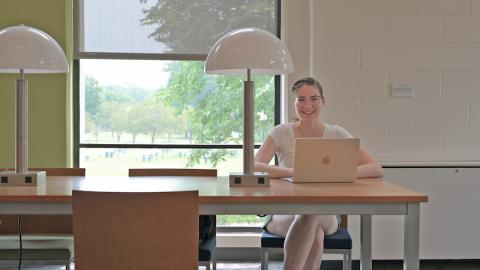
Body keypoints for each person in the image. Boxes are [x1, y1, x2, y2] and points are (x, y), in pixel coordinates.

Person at [254, 77, 384, 270]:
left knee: (311, 212)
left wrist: (339, 173)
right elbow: (255, 165)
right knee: (314, 231)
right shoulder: (281, 132)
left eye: (314, 99)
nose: (308, 105)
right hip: (285, 211)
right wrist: (292, 172)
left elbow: (375, 168)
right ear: (294, 103)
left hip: (326, 212)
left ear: (323, 101)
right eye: (301, 99)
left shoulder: (336, 133)